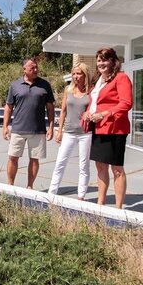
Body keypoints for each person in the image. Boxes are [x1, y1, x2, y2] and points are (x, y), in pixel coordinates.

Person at [82, 47, 133, 209]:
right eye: (99, 60)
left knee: (117, 169)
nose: (101, 63)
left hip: (115, 129)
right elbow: (93, 103)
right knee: (100, 166)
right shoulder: (98, 81)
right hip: (99, 128)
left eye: (105, 59)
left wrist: (104, 114)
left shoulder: (121, 78)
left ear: (112, 61)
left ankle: (118, 208)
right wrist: (87, 113)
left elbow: (126, 103)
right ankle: (100, 204)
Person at [2, 57, 55, 189]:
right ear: (24, 69)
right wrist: (5, 126)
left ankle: (30, 186)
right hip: (18, 129)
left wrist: (51, 127)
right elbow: (8, 107)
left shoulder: (45, 85)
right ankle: (10, 185)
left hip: (38, 130)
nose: (36, 69)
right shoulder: (15, 85)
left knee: (34, 159)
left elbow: (50, 108)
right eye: (32, 68)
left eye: (36, 67)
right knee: (13, 158)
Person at [48, 63, 92, 200]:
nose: (76, 76)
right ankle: (51, 193)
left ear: (85, 75)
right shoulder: (68, 89)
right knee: (60, 163)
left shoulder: (91, 91)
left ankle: (81, 196)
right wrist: (59, 130)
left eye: (79, 73)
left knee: (84, 166)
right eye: (74, 73)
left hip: (86, 133)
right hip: (69, 132)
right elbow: (63, 111)